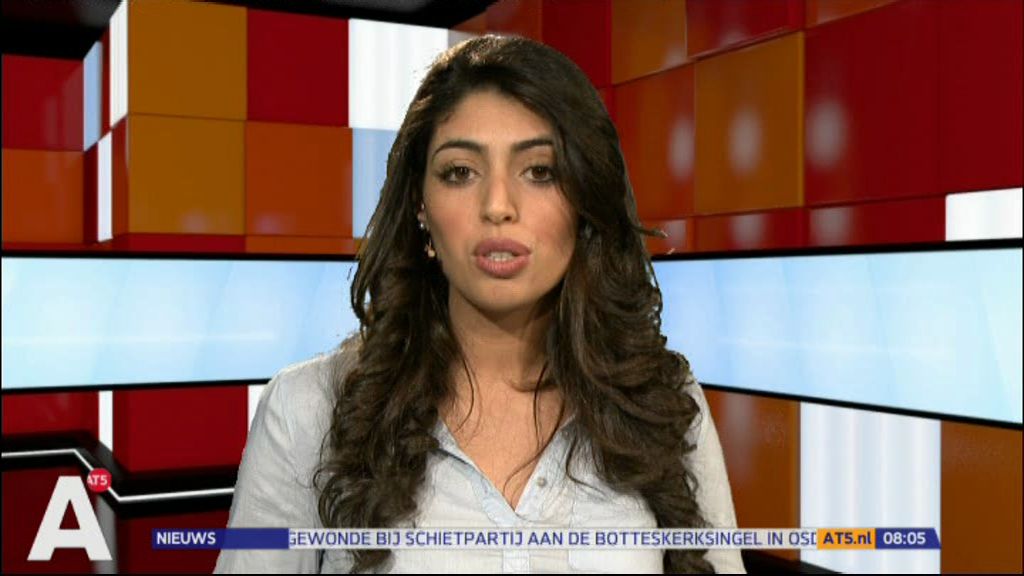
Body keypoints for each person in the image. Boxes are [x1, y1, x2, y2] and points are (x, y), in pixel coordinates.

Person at [215, 34, 745, 574]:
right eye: (460, 172)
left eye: (540, 171)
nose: (497, 206)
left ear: (585, 199)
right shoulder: (307, 409)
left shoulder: (662, 401)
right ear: (421, 205)